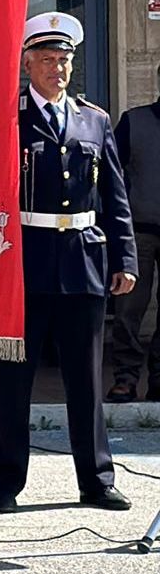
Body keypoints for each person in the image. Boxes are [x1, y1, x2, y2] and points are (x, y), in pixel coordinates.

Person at [0, 11, 137, 514]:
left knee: (86, 382)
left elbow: (115, 196)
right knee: (13, 382)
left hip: (85, 262)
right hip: (23, 263)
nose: (57, 69)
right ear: (27, 65)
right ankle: (3, 484)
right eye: (46, 60)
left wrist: (125, 258)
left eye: (64, 60)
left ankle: (97, 481)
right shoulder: (6, 118)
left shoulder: (95, 119)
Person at [108, 64, 160, 402]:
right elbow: (110, 174)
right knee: (128, 310)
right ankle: (125, 378)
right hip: (138, 230)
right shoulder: (134, 121)